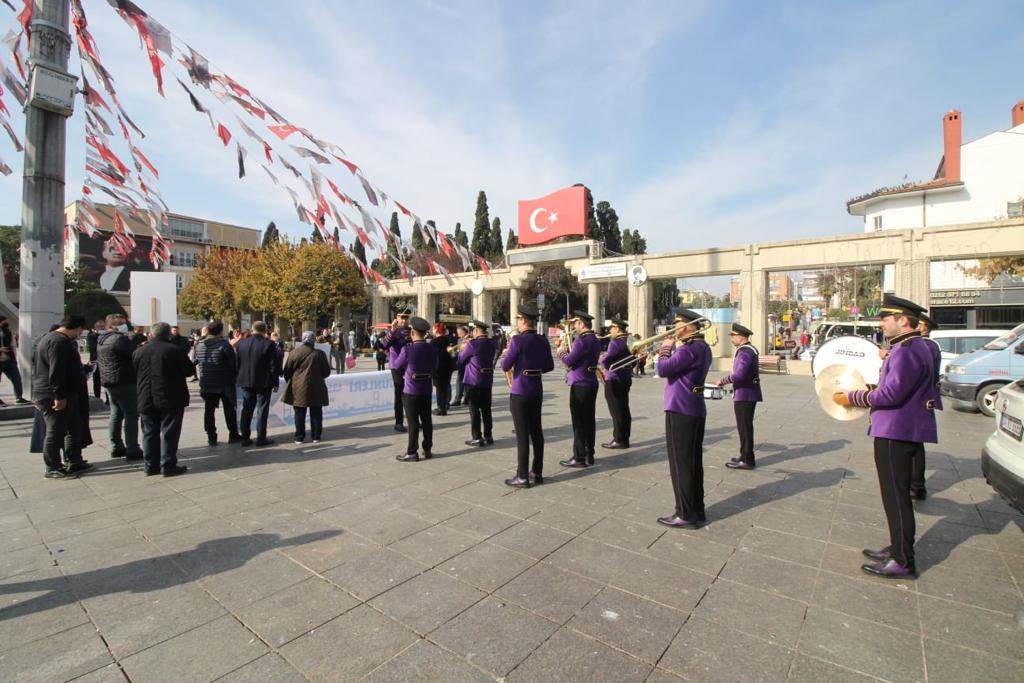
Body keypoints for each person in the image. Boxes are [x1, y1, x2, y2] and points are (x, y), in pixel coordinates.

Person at [833, 294, 938, 579]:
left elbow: (891, 394)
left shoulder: (905, 350)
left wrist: (852, 396)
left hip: (895, 430)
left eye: (886, 318)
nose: (882, 323)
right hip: (905, 427)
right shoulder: (919, 347)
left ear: (903, 320)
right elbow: (897, 386)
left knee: (896, 497)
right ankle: (896, 548)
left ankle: (903, 560)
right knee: (897, 495)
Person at [656, 309, 712, 528]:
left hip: (680, 408)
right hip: (694, 408)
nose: (675, 329)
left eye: (678, 324)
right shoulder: (702, 347)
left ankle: (685, 513)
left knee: (681, 464)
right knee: (693, 463)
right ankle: (696, 509)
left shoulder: (689, 349)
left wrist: (665, 349)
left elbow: (663, 369)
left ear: (688, 326)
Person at [32, 315, 93, 479]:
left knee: (74, 427)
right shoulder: (59, 342)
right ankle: (52, 466)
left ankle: (74, 459)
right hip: (54, 394)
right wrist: (59, 396)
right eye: (81, 330)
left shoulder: (48, 338)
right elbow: (56, 371)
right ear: (77, 328)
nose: (80, 334)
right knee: (55, 431)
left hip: (59, 392)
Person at [501, 303, 554, 487]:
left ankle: (522, 476)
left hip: (520, 391)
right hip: (536, 390)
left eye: (518, 319)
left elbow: (505, 366)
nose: (517, 322)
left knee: (522, 435)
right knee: (537, 433)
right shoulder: (542, 340)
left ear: (523, 320)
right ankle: (536, 472)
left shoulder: (517, 341)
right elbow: (549, 366)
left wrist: (507, 353)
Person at [134, 322, 192, 477]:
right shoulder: (174, 350)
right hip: (170, 396)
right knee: (169, 431)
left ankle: (150, 465)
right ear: (169, 334)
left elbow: (134, 371)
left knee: (149, 432)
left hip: (146, 396)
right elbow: (189, 370)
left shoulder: (139, 351)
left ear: (151, 334)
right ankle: (167, 464)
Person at [558, 311, 602, 468]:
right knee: (589, 420)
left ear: (582, 324)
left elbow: (569, 361)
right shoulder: (595, 340)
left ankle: (579, 457)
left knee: (578, 422)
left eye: (576, 323)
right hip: (591, 382)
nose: (574, 326)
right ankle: (589, 453)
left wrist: (561, 352)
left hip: (580, 384)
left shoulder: (581, 341)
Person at [97, 313, 143, 460]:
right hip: (124, 380)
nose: (125, 326)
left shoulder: (102, 339)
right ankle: (132, 448)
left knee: (116, 414)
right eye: (121, 323)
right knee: (131, 414)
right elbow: (135, 354)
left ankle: (117, 446)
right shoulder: (119, 339)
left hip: (109, 381)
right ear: (111, 326)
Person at [718, 323, 762, 470]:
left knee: (744, 428)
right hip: (748, 393)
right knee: (745, 427)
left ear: (740, 337)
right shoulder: (749, 350)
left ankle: (748, 460)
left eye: (733, 335)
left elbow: (739, 375)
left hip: (745, 394)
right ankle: (744, 455)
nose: (731, 338)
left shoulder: (744, 352)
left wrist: (722, 381)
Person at [394, 316, 438, 462]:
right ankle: (427, 448)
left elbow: (396, 365)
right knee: (427, 420)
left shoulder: (408, 349)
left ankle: (412, 452)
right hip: (426, 389)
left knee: (413, 422)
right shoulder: (431, 348)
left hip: (411, 391)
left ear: (412, 332)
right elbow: (434, 366)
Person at [910, 312, 943, 501]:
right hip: (920, 400)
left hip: (920, 401)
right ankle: (915, 484)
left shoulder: (927, 346)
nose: (916, 326)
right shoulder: (921, 345)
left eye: (919, 324)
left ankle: (917, 486)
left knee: (915, 444)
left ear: (925, 328)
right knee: (914, 444)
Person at [235, 321, 282, 447]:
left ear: (252, 329)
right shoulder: (269, 344)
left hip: (245, 380)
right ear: (265, 330)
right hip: (263, 381)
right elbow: (273, 365)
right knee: (262, 409)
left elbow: (237, 363)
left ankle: (245, 437)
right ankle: (261, 437)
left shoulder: (241, 343)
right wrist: (275, 381)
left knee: (247, 409)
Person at [195, 321, 241, 446]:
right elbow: (233, 363)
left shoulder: (199, 345)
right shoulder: (224, 345)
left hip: (206, 381)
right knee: (229, 409)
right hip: (224, 382)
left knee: (209, 410)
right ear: (221, 331)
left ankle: (211, 436)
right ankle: (233, 434)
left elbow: (197, 360)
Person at [283, 331, 331, 443]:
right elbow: (326, 372)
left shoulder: (294, 353)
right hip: (317, 386)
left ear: (302, 339)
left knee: (299, 412)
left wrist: (293, 381)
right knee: (316, 412)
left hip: (299, 387)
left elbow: (287, 372)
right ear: (314, 340)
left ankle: (299, 437)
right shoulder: (320, 354)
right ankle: (316, 436)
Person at [460, 320, 498, 447]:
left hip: (473, 380)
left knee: (474, 410)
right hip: (487, 379)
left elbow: (461, 359)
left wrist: (462, 347)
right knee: (486, 409)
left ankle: (477, 437)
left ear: (476, 331)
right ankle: (489, 435)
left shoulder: (473, 344)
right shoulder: (492, 343)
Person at [600, 319, 633, 450]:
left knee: (616, 410)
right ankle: (625, 438)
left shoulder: (615, 342)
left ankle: (618, 439)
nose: (610, 331)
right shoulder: (629, 341)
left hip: (614, 379)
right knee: (624, 408)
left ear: (618, 329)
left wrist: (602, 360)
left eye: (612, 328)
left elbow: (607, 362)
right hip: (625, 378)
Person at [382, 310, 412, 432]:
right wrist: (392, 329)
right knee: (399, 395)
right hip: (397, 367)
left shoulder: (411, 331)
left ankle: (413, 420)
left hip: (409, 366)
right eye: (401, 318)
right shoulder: (392, 331)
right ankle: (398, 422)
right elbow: (384, 344)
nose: (404, 320)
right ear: (397, 318)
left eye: (406, 318)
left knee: (411, 394)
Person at [0, 314, 29, 405]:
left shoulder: (7, 332)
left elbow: (13, 345)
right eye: (3, 321)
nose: (6, 323)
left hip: (9, 360)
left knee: (16, 378)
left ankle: (19, 397)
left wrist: (14, 358)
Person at [431, 323, 456, 416]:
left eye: (433, 329)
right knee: (445, 388)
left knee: (439, 389)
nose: (432, 331)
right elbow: (453, 355)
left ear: (437, 331)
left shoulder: (434, 342)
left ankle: (441, 408)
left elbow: (432, 358)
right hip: (448, 368)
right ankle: (444, 406)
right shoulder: (449, 340)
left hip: (438, 369)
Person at [451, 325, 469, 407]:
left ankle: (458, 399)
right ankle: (466, 399)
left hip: (467, 363)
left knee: (460, 381)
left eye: (459, 332)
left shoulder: (469, 339)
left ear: (464, 332)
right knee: (463, 381)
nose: (458, 334)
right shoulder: (459, 340)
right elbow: (458, 350)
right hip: (461, 362)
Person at [86, 320, 103, 399]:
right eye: (101, 327)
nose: (103, 329)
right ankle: (97, 396)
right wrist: (98, 334)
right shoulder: (92, 335)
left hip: (103, 360)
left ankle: (107, 399)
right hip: (95, 361)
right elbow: (93, 348)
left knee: (105, 380)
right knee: (97, 381)